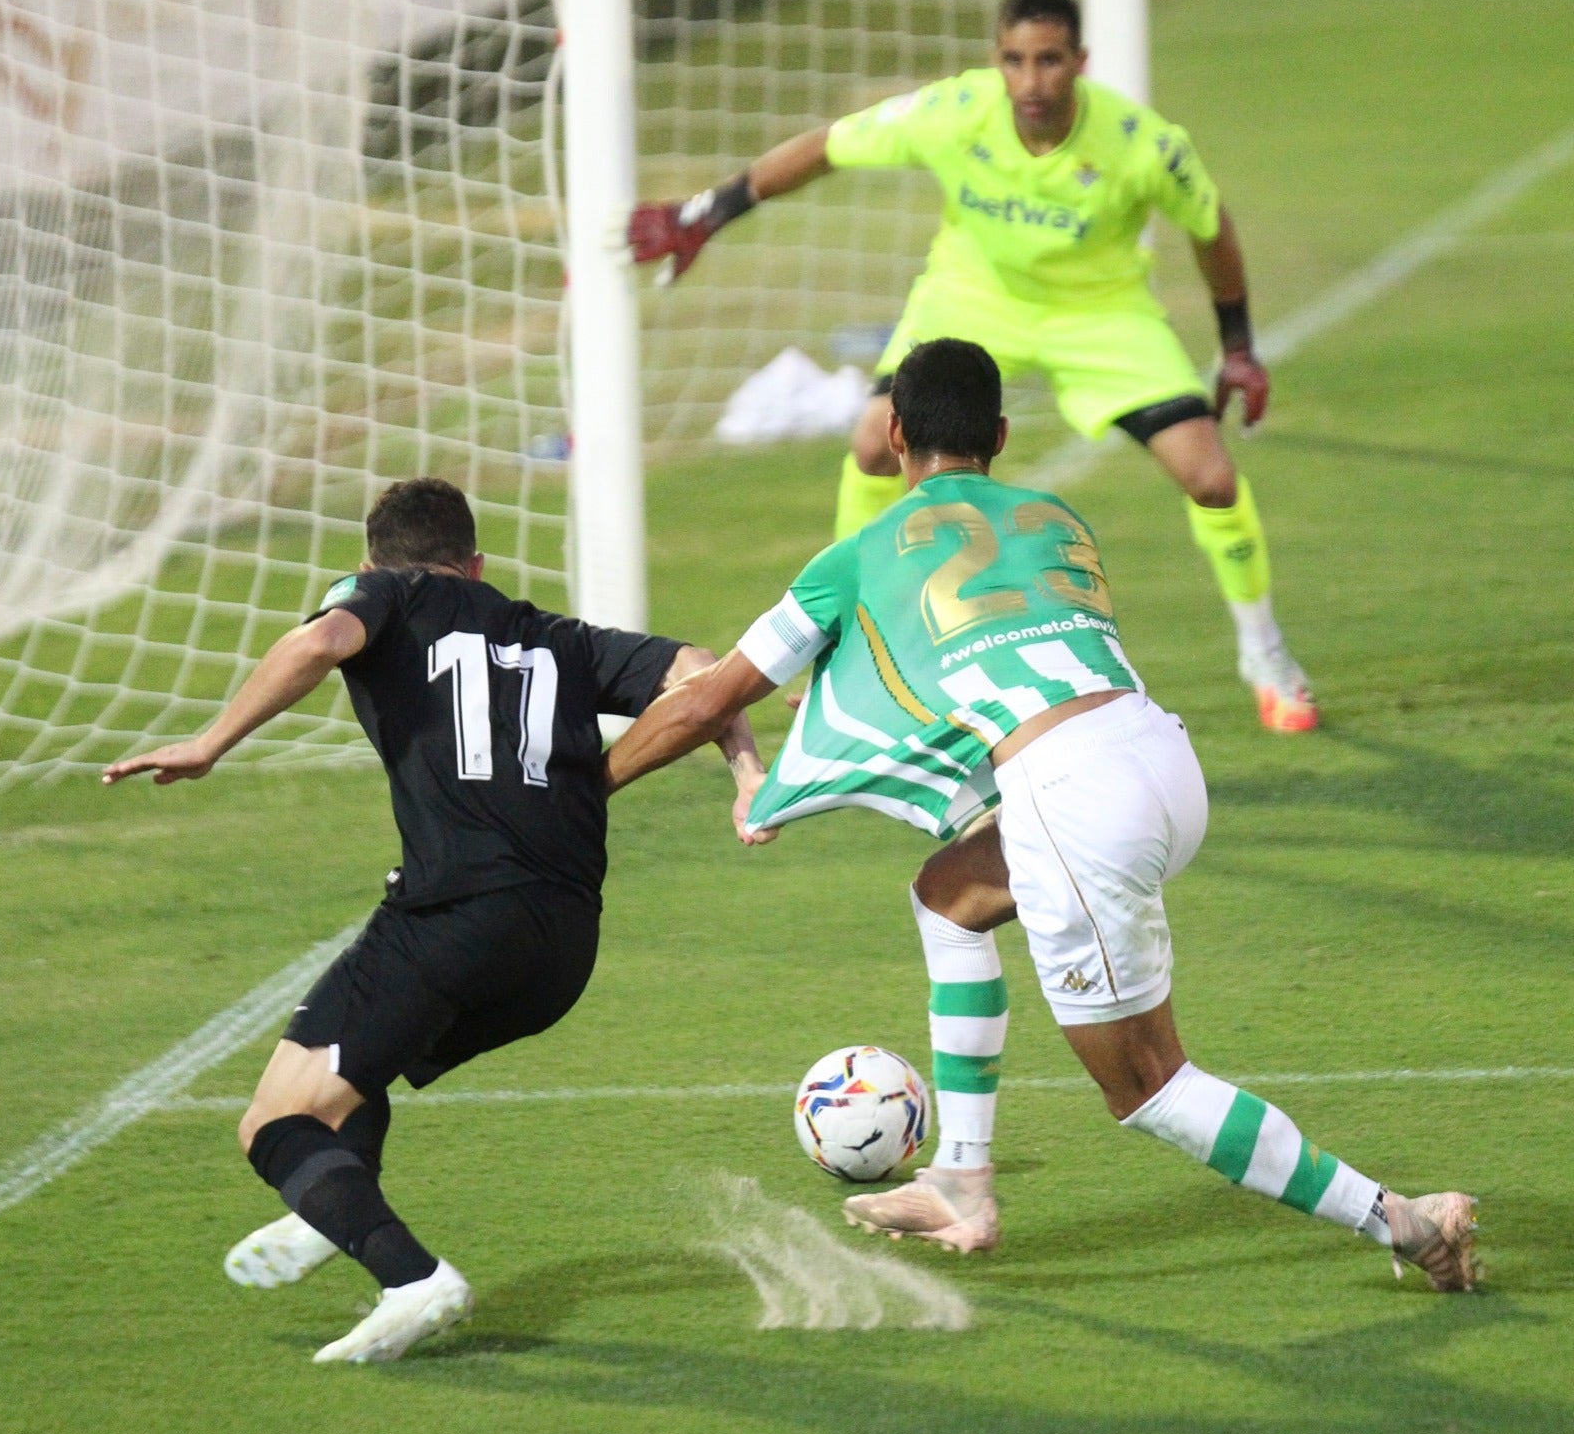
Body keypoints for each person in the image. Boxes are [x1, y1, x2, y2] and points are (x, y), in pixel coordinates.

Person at [603, 339, 1477, 1291]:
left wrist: (583, 792)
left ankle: (1402, 1221)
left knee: (1149, 1086)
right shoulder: (1055, 516)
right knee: (949, 896)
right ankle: (962, 1181)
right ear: (1003, 436)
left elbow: (699, 702)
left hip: (1076, 800)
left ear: (892, 431)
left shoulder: (853, 557)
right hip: (1160, 756)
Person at [103, 477, 766, 1362]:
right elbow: (706, 676)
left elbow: (324, 641)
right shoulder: (559, 637)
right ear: (479, 565)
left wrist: (209, 741)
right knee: (363, 1058)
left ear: (369, 561)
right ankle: (328, 1214)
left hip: (457, 917)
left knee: (272, 1125)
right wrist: (747, 772)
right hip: (563, 948)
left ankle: (410, 1278)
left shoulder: (382, 594)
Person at [628, 0, 1317, 734]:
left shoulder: (1143, 142)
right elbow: (827, 147)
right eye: (1014, 61)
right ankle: (846, 642)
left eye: (1049, 61)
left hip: (1102, 316)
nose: (1030, 81)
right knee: (871, 446)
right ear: (997, 60)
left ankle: (1264, 654)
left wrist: (1237, 346)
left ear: (1078, 62)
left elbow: (1210, 228)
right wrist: (712, 208)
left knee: (1211, 481)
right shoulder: (956, 111)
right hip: (972, 300)